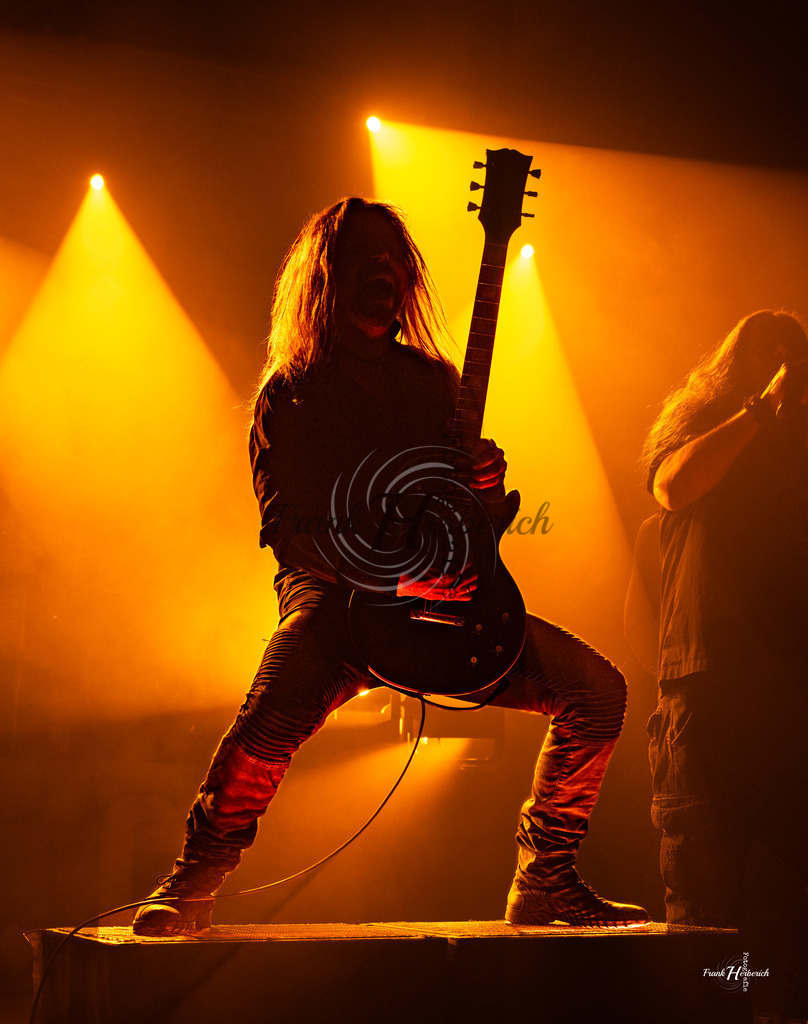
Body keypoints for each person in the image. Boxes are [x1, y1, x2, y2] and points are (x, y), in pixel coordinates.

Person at [133, 197, 648, 936]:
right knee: (265, 726)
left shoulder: (436, 383)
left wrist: (484, 483)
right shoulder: (294, 392)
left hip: (442, 605)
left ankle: (547, 881)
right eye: (365, 256)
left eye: (394, 258)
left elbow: (464, 512)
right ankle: (192, 883)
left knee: (598, 694)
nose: (384, 268)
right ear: (327, 275)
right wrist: (398, 575)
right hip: (337, 606)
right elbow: (292, 531)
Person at [644, 309, 808, 932]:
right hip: (706, 694)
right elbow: (674, 486)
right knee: (704, 910)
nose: (784, 368)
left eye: (794, 357)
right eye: (765, 353)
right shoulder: (708, 429)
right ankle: (718, 1000)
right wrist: (761, 410)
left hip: (790, 694)